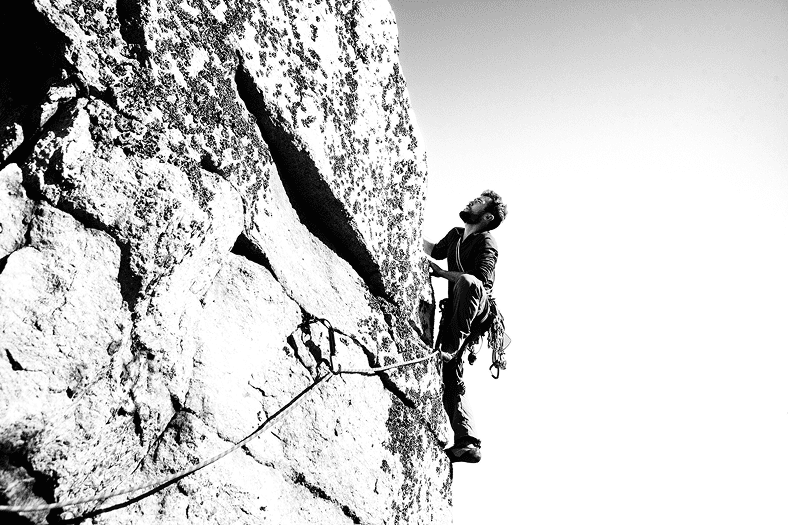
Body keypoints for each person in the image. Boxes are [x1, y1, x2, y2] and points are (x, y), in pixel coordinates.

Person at [423, 190, 507, 463]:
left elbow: (482, 283)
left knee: (468, 282)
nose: (472, 201)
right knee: (451, 377)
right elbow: (434, 250)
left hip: (477, 310)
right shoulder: (456, 236)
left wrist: (442, 274)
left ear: (487, 216)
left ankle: (450, 346)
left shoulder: (487, 243)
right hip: (457, 313)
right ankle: (467, 442)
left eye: (479, 202)